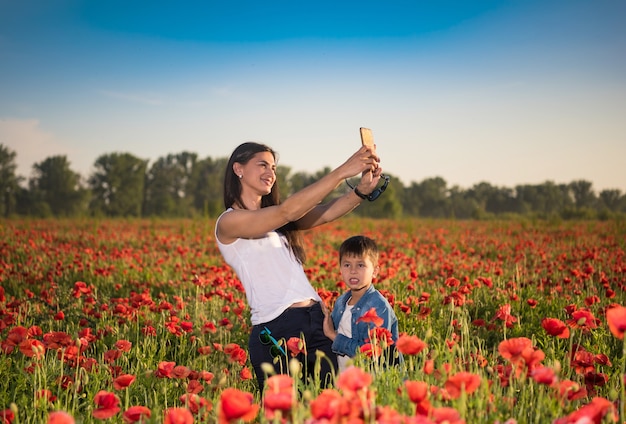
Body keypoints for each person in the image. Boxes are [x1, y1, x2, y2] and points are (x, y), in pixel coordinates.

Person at [214, 141, 384, 391]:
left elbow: (325, 212)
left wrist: (360, 191)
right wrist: (342, 171)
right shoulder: (229, 222)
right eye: (262, 165)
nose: (270, 173)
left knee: (329, 406)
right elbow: (286, 212)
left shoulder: (278, 221)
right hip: (276, 328)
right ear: (238, 169)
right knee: (286, 412)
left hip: (316, 321)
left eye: (273, 167)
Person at [322, 235, 401, 373]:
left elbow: (372, 354)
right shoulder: (341, 302)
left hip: (371, 382)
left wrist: (333, 336)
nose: (353, 270)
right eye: (347, 265)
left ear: (375, 271)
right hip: (343, 379)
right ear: (340, 269)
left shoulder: (378, 307)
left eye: (360, 265)